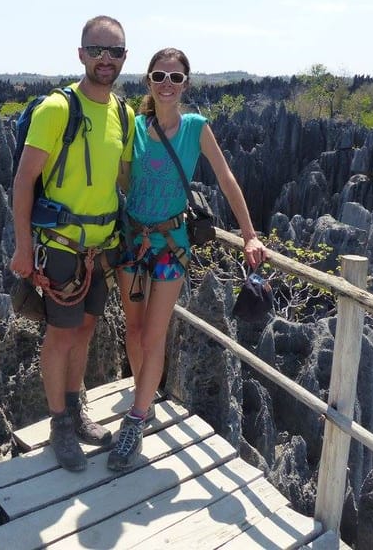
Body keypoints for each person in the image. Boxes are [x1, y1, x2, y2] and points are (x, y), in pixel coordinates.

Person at [107, 47, 266, 471]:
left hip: (171, 244)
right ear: (148, 81)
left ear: (186, 85)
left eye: (175, 78)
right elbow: (114, 176)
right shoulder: (134, 127)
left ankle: (136, 419)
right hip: (132, 240)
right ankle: (146, 396)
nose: (167, 84)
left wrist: (249, 235)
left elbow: (227, 179)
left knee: (154, 334)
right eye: (159, 75)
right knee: (134, 328)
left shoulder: (196, 128)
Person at [10, 16, 135, 471]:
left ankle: (76, 408)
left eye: (115, 52)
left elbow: (125, 179)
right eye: (97, 50)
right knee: (60, 334)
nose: (106, 59)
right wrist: (24, 248)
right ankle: (59, 424)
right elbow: (23, 182)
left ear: (124, 59)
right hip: (60, 245)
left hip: (101, 247)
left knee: (84, 330)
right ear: (80, 53)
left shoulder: (124, 113)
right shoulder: (56, 110)